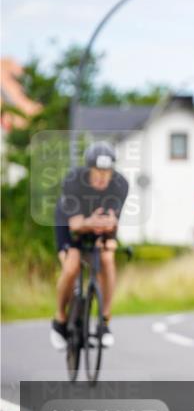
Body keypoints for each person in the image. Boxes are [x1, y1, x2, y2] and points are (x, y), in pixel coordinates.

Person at [50, 141, 130, 350]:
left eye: (107, 172)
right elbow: (75, 226)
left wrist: (107, 226)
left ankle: (104, 322)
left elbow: (113, 220)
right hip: (71, 224)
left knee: (107, 259)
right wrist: (90, 222)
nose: (103, 177)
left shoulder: (120, 184)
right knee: (71, 267)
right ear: (88, 170)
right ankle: (59, 319)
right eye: (97, 172)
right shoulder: (73, 181)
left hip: (98, 227)